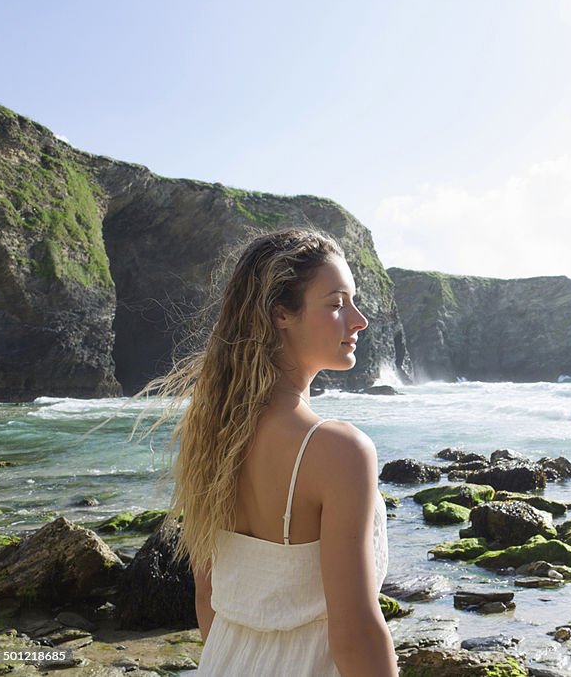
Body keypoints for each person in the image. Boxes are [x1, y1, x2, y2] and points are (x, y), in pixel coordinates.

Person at [139, 227, 397, 676]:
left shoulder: (210, 435)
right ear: (281, 314)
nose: (358, 320)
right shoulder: (339, 451)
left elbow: (208, 599)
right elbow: (354, 631)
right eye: (336, 304)